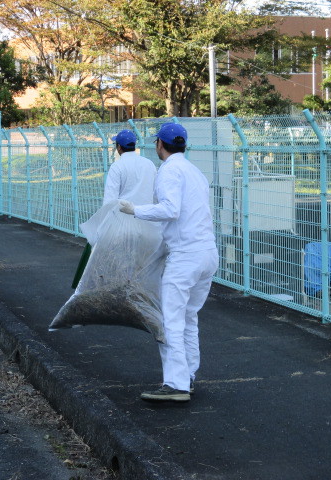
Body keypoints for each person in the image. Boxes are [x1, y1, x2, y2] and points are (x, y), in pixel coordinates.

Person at [119, 123, 218, 403]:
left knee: (170, 320)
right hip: (207, 253)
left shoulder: (169, 170)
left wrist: (135, 210)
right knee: (188, 318)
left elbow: (170, 210)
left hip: (186, 256)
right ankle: (187, 376)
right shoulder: (194, 172)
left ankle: (176, 384)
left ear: (159, 145)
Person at [71, 129, 156, 288]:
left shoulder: (117, 166)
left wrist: (101, 230)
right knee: (142, 268)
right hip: (147, 223)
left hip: (122, 226)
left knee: (122, 268)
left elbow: (109, 202)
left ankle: (124, 298)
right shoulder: (148, 164)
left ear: (118, 147)